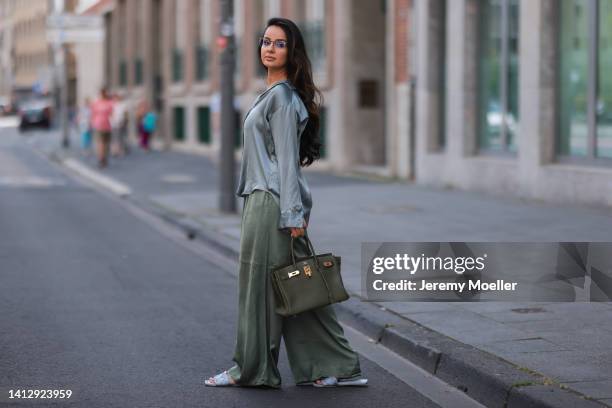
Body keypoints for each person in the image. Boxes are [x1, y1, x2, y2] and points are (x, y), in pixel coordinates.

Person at [204, 17, 368, 389]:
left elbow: (287, 162)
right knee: (296, 287)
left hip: (271, 203)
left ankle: (250, 369)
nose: (270, 48)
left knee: (260, 291)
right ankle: (336, 368)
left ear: (292, 52)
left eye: (279, 43)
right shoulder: (273, 94)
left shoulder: (281, 98)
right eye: (266, 41)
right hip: (266, 200)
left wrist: (293, 213)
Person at [90, 88, 114, 168]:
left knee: (106, 143)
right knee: (101, 143)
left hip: (107, 125)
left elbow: (112, 113)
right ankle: (101, 158)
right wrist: (92, 123)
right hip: (99, 125)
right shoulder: (97, 103)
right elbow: (93, 114)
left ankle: (104, 158)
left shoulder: (109, 103)